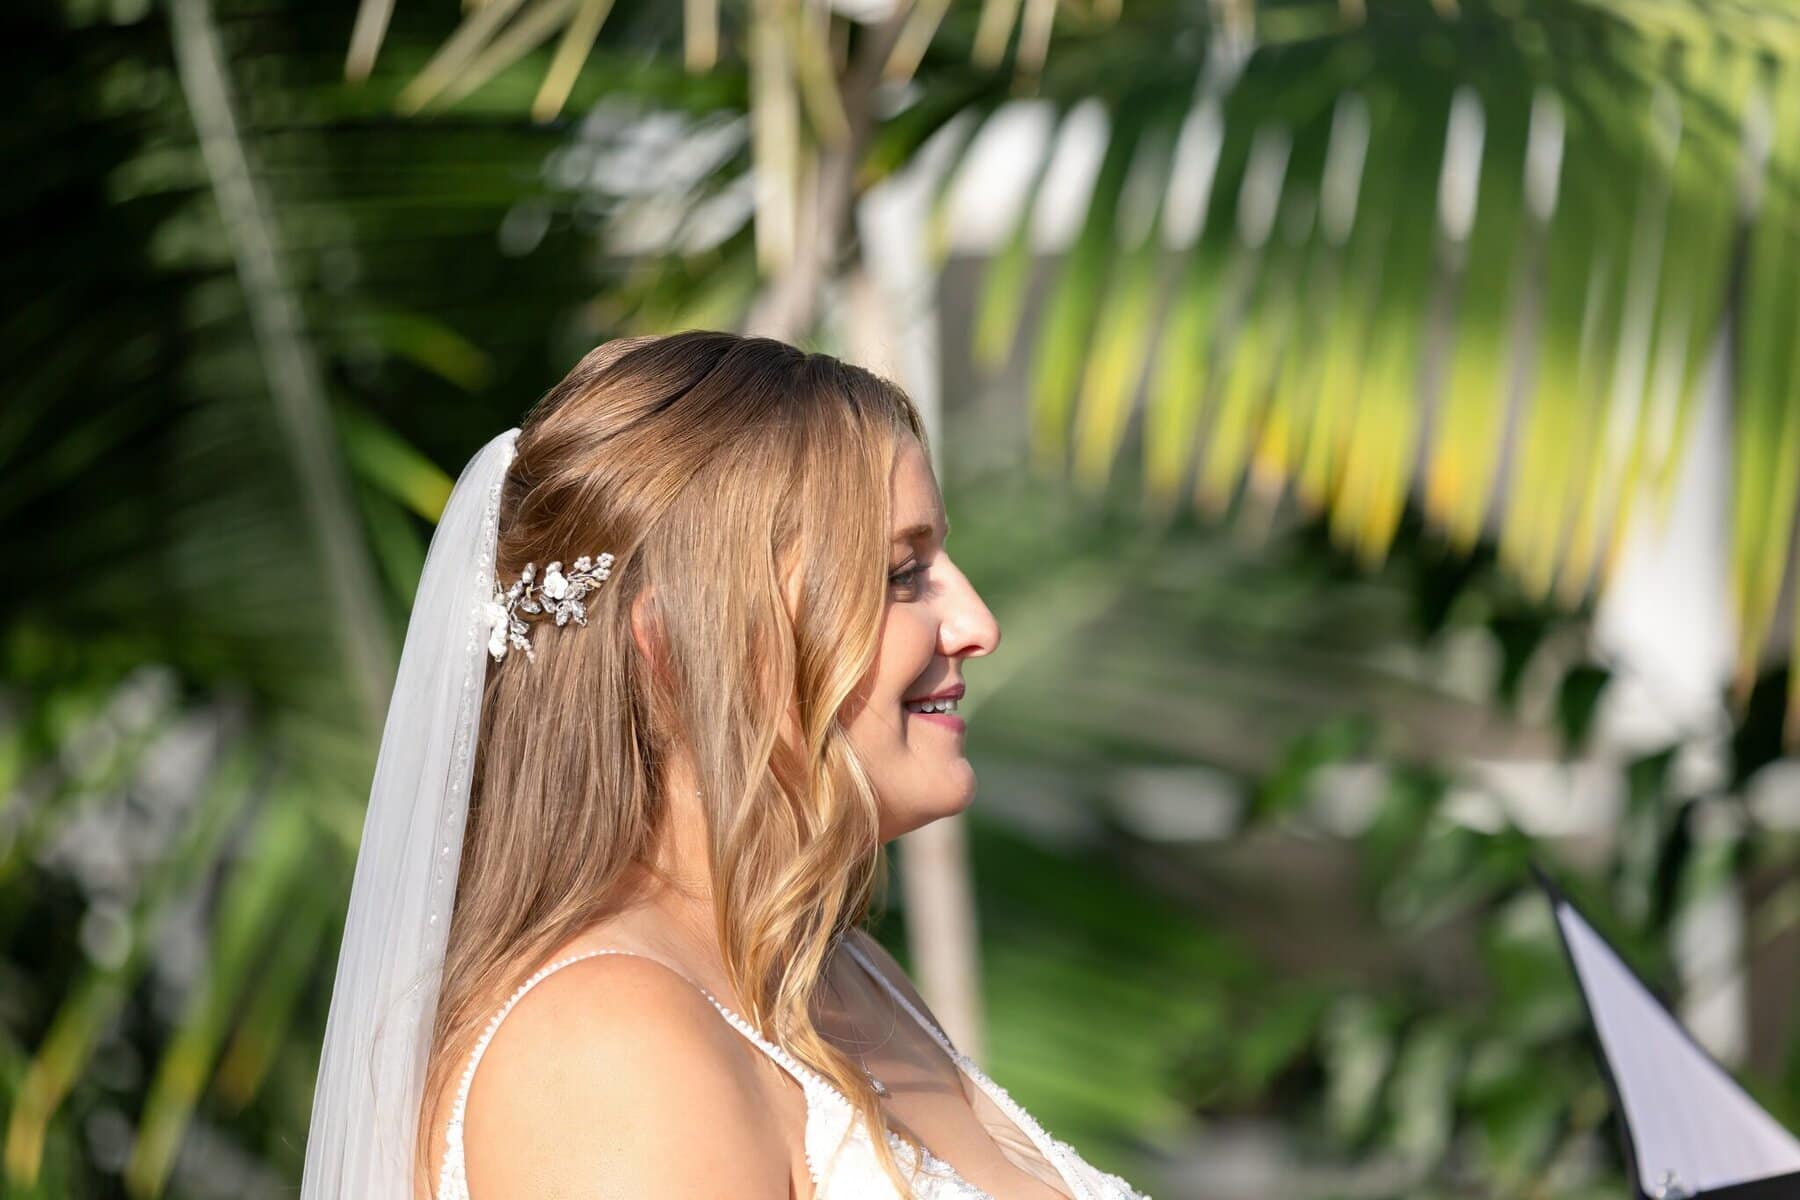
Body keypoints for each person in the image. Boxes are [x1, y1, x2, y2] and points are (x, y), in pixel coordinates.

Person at [299, 331, 1152, 1199]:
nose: (977, 622)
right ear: (676, 647)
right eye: (901, 574)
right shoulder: (605, 1055)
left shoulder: (838, 973)